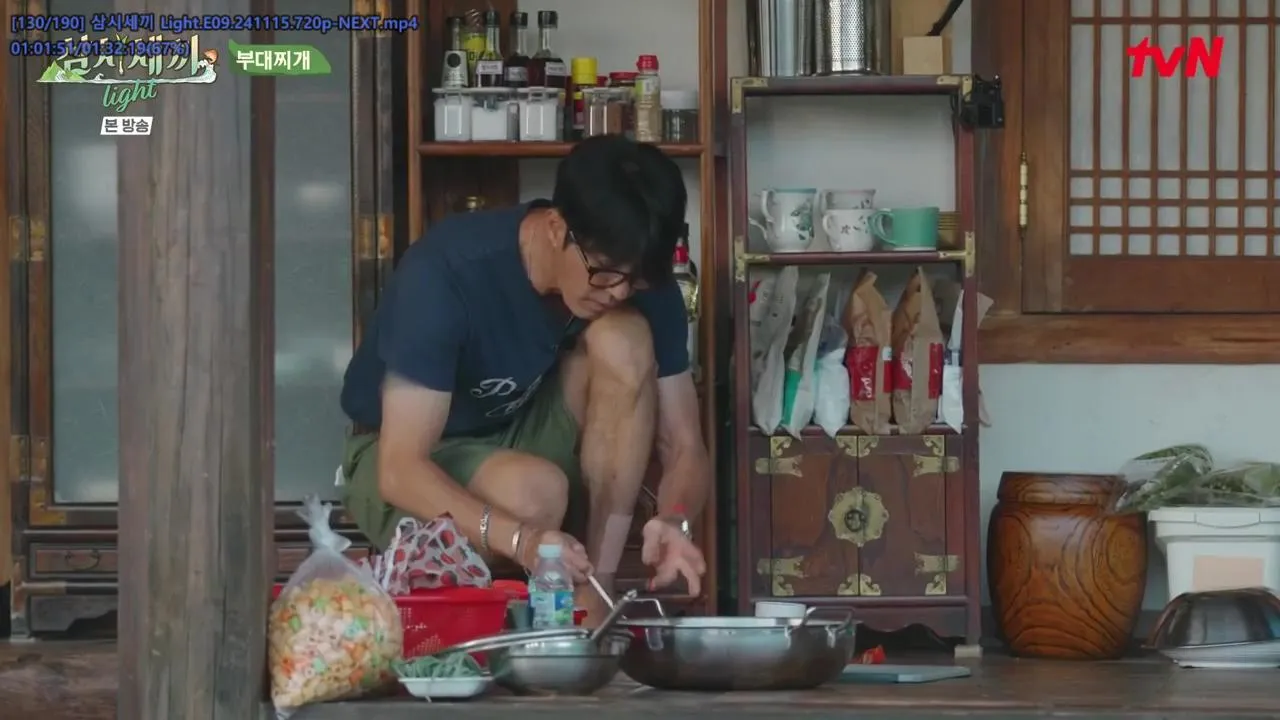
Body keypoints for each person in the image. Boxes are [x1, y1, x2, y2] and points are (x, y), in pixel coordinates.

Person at [338, 135, 711, 625]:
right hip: (406, 456)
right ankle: (499, 610)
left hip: (521, 428)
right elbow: (400, 469)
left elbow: (684, 445)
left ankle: (595, 589)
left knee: (626, 337)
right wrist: (523, 540)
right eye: (603, 272)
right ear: (556, 228)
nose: (618, 291)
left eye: (635, 279)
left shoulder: (635, 276)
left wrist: (676, 518)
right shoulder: (446, 273)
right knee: (537, 494)